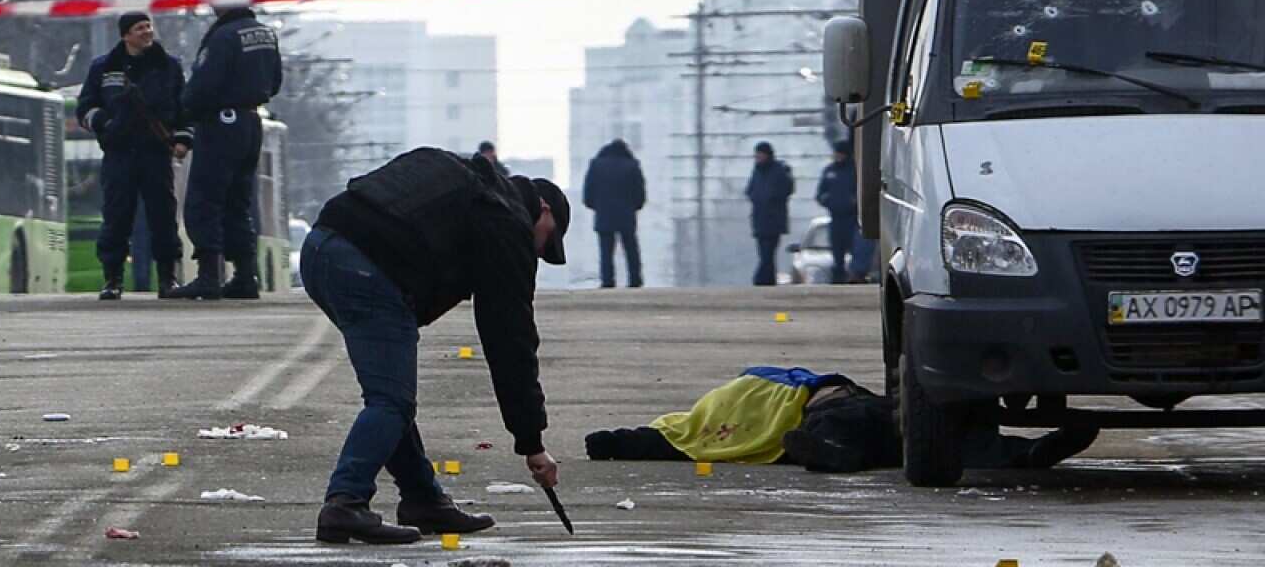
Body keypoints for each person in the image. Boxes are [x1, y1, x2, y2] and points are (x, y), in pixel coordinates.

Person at [302, 147, 569, 545]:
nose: (540, 251)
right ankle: (345, 502)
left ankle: (423, 500)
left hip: (320, 249)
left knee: (390, 394)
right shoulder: (507, 220)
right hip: (368, 269)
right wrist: (532, 442)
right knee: (391, 401)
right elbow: (510, 339)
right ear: (543, 208)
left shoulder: (464, 182)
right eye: (548, 240)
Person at [586, 367, 1099, 474]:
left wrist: (610, 441)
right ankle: (1025, 452)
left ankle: (833, 455)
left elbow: (661, 440)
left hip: (834, 411)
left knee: (866, 435)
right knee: (926, 442)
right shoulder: (736, 394)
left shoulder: (695, 420)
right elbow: (658, 438)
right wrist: (609, 441)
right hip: (850, 407)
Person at [167, 0, 282, 300]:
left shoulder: (224, 36)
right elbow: (275, 82)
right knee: (238, 203)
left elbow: (203, 85)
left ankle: (209, 276)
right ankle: (245, 276)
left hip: (221, 124)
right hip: (252, 122)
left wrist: (184, 111)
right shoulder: (265, 34)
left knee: (205, 200)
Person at [75, 12, 192, 300]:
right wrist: (104, 123)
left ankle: (167, 278)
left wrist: (182, 139)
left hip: (156, 154)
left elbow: (184, 108)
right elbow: (85, 108)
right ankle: (112, 279)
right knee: (116, 216)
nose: (147, 32)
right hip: (119, 154)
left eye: (149, 26)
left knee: (163, 216)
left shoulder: (168, 66)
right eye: (140, 28)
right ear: (125, 35)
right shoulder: (104, 68)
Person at [582, 139, 646, 288]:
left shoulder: (596, 165)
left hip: (604, 214)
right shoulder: (632, 165)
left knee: (606, 251)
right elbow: (640, 192)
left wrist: (595, 206)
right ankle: (635, 279)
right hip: (626, 214)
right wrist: (635, 206)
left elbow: (588, 192)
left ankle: (608, 280)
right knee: (631, 249)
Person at [745, 141, 794, 286]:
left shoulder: (779, 171)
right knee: (764, 254)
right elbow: (750, 190)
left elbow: (787, 190)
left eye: (760, 154)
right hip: (759, 219)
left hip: (774, 220)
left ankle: (760, 280)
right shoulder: (757, 171)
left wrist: (771, 198)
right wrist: (756, 198)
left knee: (768, 253)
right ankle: (769, 281)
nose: (758, 157)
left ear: (767, 155)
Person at [816, 141, 859, 284]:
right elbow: (820, 193)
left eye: (840, 154)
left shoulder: (854, 171)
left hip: (852, 218)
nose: (837, 156)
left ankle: (854, 275)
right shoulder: (829, 171)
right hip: (835, 217)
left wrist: (853, 202)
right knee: (837, 249)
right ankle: (838, 276)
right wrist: (827, 201)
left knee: (855, 248)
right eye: (836, 153)